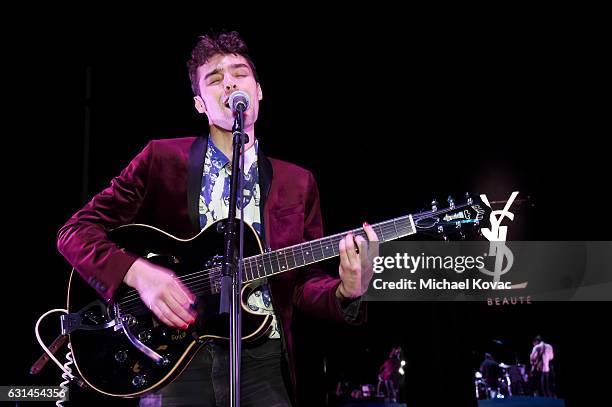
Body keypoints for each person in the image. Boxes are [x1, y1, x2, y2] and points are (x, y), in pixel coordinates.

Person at [57, 31, 378, 407]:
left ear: (258, 91)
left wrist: (347, 291)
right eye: (214, 78)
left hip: (261, 359)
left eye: (240, 73)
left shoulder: (298, 182)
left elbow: (300, 284)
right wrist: (137, 273)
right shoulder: (161, 160)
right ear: (199, 104)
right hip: (175, 359)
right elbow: (74, 232)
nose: (229, 82)